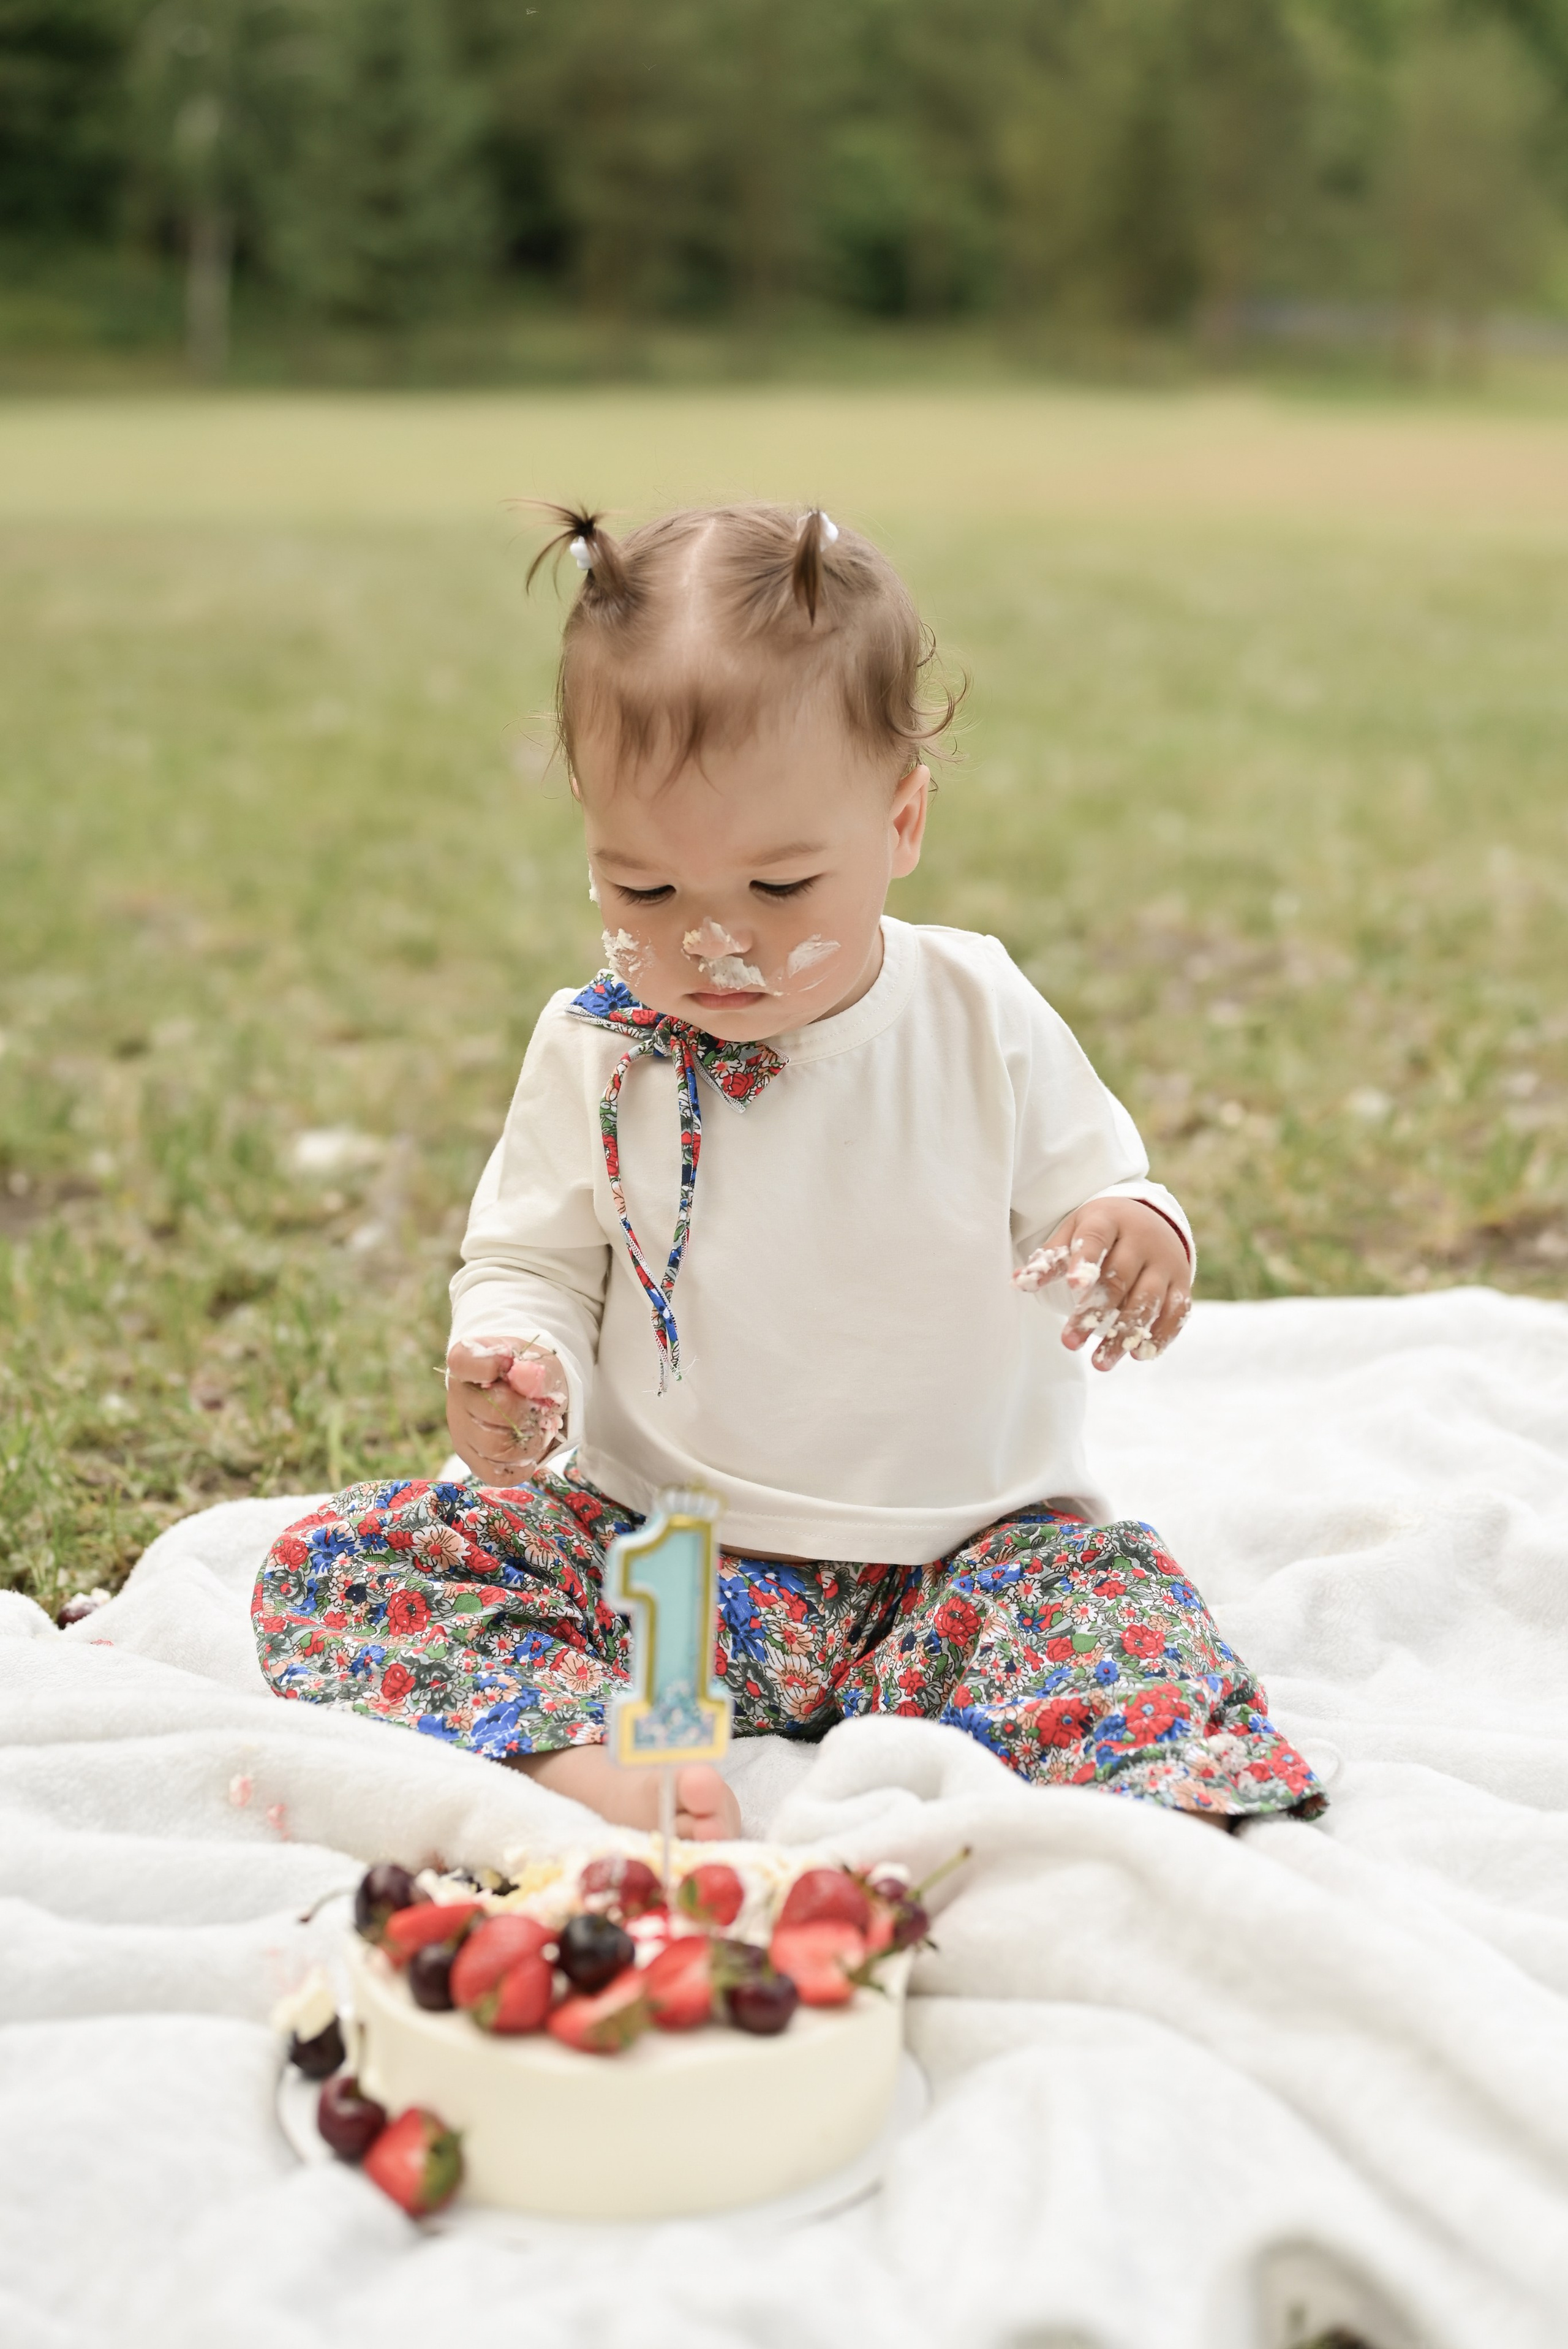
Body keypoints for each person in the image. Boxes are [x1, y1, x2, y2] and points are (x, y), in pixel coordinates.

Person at [252, 502, 1322, 1841]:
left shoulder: (974, 1010)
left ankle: (1160, 1810)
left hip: (959, 1565)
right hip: (675, 1567)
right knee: (350, 1567)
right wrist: (512, 1366)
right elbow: (526, 1261)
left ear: (901, 821)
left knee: (1113, 1606)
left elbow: (1098, 1194)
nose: (714, 945)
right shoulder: (597, 1051)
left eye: (780, 886)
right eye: (643, 893)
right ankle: (605, 1757)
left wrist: (1135, 1235)